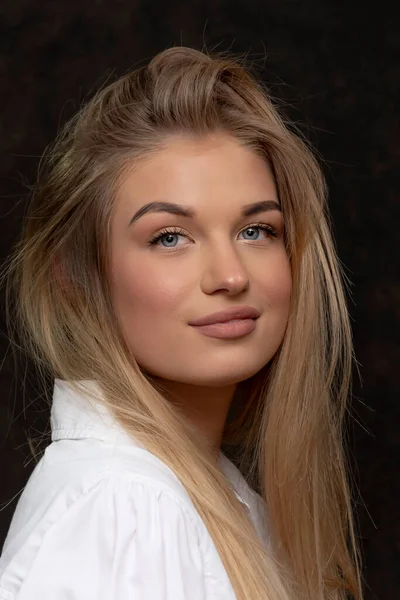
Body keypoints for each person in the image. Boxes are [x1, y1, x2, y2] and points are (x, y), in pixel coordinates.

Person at [0, 46, 364, 599]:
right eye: (170, 237)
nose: (230, 276)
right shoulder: (125, 507)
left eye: (257, 230)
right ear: (73, 277)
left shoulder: (199, 495)